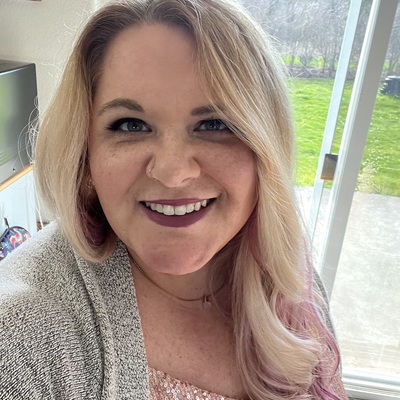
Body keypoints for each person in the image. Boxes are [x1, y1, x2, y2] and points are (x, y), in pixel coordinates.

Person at [0, 0, 348, 399]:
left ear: (266, 148)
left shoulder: (284, 267)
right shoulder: (20, 337)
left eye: (214, 123)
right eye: (131, 125)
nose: (172, 172)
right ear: (85, 152)